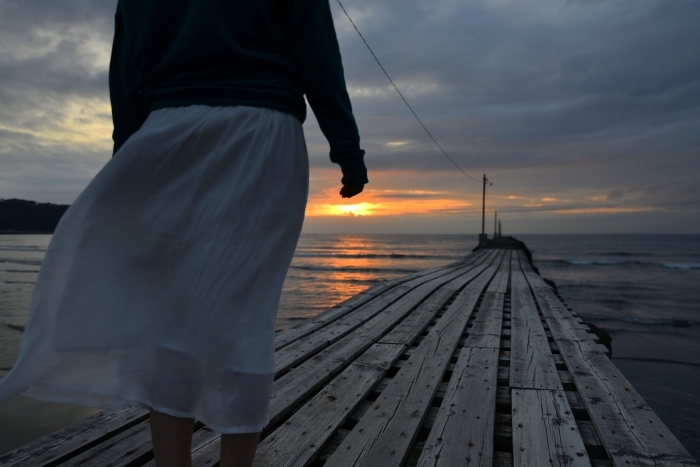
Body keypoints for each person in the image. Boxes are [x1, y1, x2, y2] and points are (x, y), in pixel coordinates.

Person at [0, 0, 367, 466]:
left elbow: (126, 81)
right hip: (260, 130)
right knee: (244, 316)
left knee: (166, 318)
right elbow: (318, 55)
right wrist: (347, 150)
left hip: (164, 133)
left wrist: (128, 167)